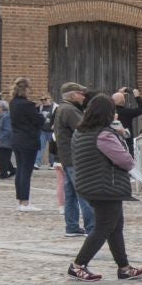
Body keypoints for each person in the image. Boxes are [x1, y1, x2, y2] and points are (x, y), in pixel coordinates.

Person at [66, 94, 142, 282]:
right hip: (105, 186)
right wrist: (119, 138)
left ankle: (124, 267)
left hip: (90, 184)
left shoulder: (80, 131)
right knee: (103, 228)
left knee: (115, 227)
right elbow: (126, 161)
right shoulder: (104, 135)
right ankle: (77, 265)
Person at [51, 83, 94, 237]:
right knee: (83, 191)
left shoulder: (63, 108)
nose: (83, 96)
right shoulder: (69, 109)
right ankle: (92, 227)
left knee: (70, 193)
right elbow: (84, 128)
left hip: (67, 156)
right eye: (81, 93)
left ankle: (72, 226)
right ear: (73, 95)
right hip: (75, 156)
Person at [7, 79, 44, 211]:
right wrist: (39, 111)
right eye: (29, 89)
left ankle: (20, 200)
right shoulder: (27, 104)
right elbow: (39, 120)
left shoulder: (12, 103)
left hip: (17, 139)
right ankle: (25, 203)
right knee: (26, 172)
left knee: (20, 171)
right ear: (26, 89)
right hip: (28, 140)